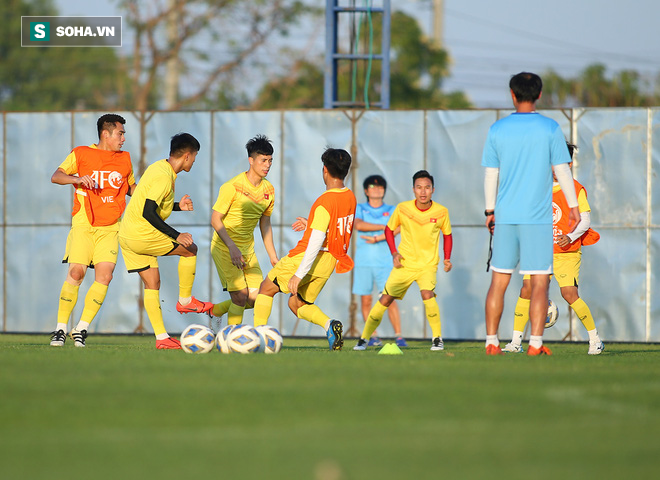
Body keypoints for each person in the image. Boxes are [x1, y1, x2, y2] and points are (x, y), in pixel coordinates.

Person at [482, 72, 579, 356]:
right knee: (540, 283)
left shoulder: (497, 129)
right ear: (539, 95)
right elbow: (562, 169)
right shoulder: (550, 128)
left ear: (512, 94)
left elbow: (491, 173)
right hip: (537, 218)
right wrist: (573, 207)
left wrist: (490, 211)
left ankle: (491, 342)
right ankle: (535, 344)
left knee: (499, 281)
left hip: (506, 215)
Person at [503, 142, 604, 355]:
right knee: (526, 289)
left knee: (569, 293)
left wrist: (570, 236)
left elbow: (585, 220)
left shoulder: (576, 189)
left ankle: (595, 339)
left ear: (569, 164)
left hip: (566, 252)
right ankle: (515, 342)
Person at [252, 147, 356, 350]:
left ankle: (258, 340)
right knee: (296, 304)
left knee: (265, 290)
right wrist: (311, 224)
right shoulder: (349, 196)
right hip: (329, 261)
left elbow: (316, 241)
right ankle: (329, 325)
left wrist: (299, 274)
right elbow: (335, 226)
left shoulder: (324, 201)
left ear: (325, 170)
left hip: (307, 258)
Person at [118, 133, 213, 350]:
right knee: (190, 249)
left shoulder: (159, 167)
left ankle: (162, 338)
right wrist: (176, 235)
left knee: (152, 283)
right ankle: (186, 301)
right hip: (141, 233)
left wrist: (178, 206)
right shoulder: (163, 177)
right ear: (187, 156)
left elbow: (148, 201)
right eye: (195, 156)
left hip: (127, 234)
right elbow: (148, 212)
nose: (195, 161)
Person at [50, 114, 136, 347]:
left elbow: (130, 189)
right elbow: (56, 176)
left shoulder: (125, 159)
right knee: (77, 273)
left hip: (110, 227)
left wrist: (163, 198)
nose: (123, 139)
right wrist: (76, 179)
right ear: (105, 134)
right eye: (120, 133)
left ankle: (81, 328)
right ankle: (60, 329)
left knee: (105, 276)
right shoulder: (81, 153)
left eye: (123, 134)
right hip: (84, 224)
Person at [354, 170, 453, 352]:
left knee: (427, 295)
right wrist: (394, 253)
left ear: (433, 190)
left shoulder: (441, 211)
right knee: (384, 300)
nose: (423, 192)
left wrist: (447, 258)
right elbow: (389, 230)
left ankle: (437, 338)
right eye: (419, 188)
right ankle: (364, 338)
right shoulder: (403, 208)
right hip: (403, 264)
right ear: (413, 190)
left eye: (427, 188)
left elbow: (447, 235)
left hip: (427, 265)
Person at [208, 135, 279, 329]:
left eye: (270, 160)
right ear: (251, 160)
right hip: (225, 248)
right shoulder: (232, 187)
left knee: (258, 296)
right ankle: (232, 337)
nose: (267, 165)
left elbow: (265, 224)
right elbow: (215, 219)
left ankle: (215, 310)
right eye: (263, 160)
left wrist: (273, 256)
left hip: (248, 251)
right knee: (240, 297)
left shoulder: (269, 190)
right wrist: (232, 247)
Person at [352, 175, 406, 348]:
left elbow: (398, 228)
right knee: (366, 300)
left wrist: (378, 238)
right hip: (364, 261)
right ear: (366, 191)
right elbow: (359, 225)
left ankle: (398, 335)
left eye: (380, 187)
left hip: (385, 261)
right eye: (372, 187)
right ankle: (372, 336)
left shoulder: (391, 209)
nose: (376, 189)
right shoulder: (360, 208)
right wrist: (384, 227)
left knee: (389, 299)